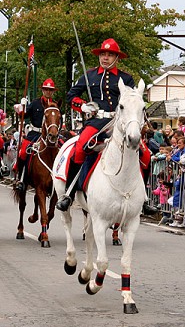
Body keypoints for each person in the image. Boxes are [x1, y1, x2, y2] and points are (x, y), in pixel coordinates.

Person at [56, 38, 135, 211]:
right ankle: (69, 194)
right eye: (103, 54)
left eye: (110, 55)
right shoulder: (89, 75)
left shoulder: (126, 79)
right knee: (79, 149)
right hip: (97, 122)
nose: (105, 58)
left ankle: (141, 198)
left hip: (118, 122)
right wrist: (82, 105)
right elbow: (71, 96)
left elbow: (132, 101)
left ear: (117, 58)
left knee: (143, 153)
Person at [13, 78, 57, 191]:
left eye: (50, 90)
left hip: (51, 135)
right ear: (43, 90)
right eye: (46, 89)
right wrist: (22, 107)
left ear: (53, 91)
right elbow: (23, 116)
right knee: (24, 151)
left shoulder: (55, 105)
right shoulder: (35, 103)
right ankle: (21, 179)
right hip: (35, 133)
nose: (48, 92)